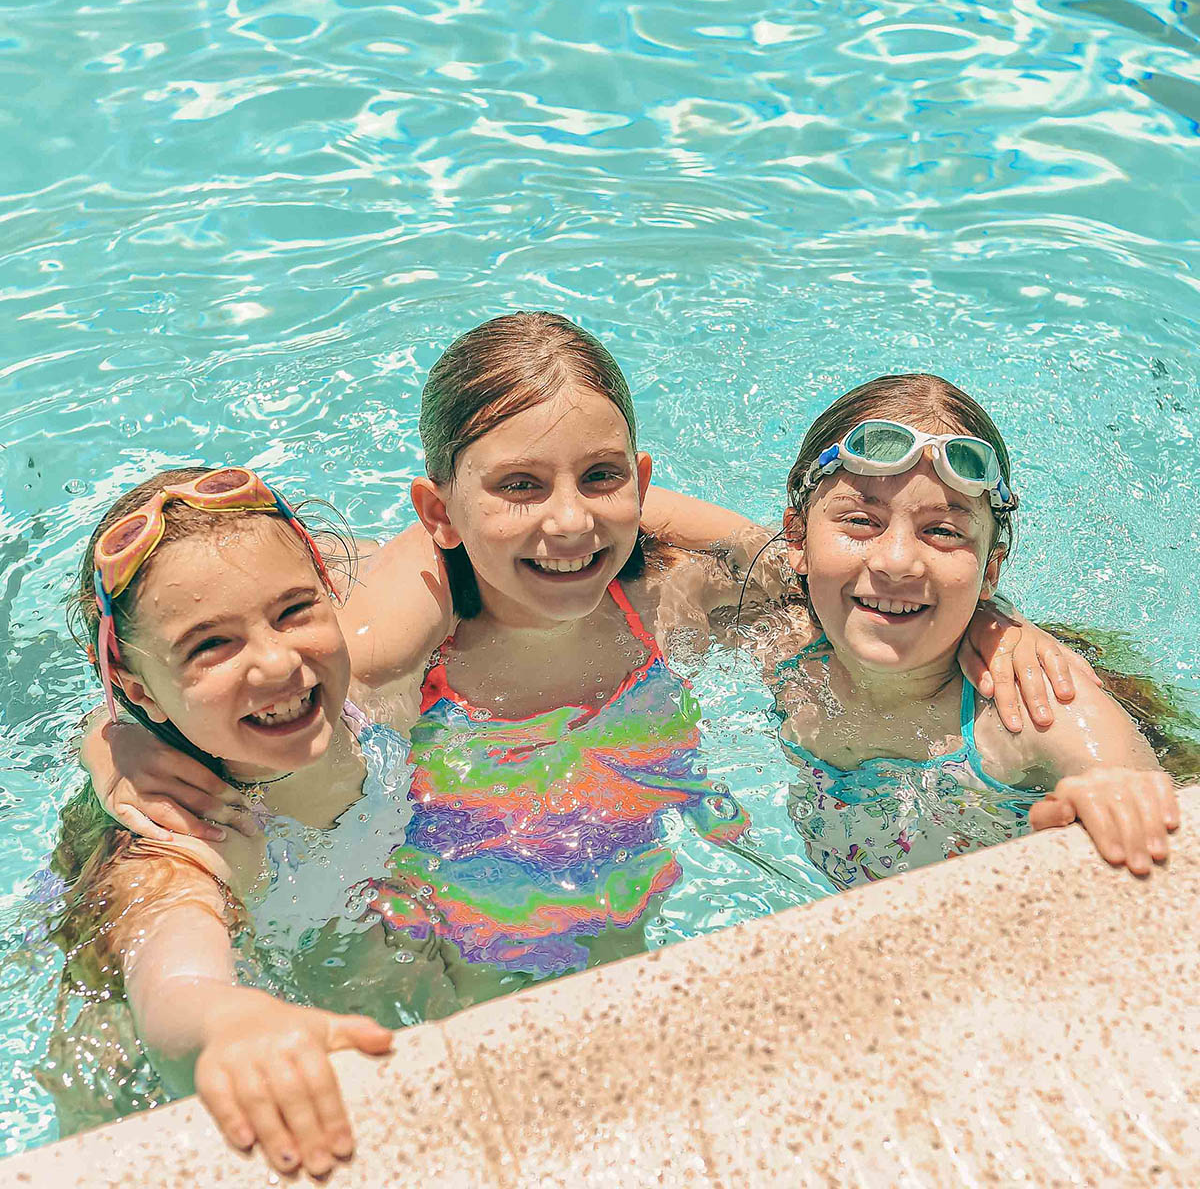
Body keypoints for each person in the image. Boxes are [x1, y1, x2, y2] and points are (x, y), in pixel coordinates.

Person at [78, 321, 1091, 994]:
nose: (568, 523)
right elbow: (227, 649)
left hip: (617, 902)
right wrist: (117, 737)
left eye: (600, 479)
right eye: (520, 487)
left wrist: (999, 623)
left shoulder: (674, 597)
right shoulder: (398, 633)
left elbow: (861, 588)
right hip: (429, 932)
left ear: (636, 482)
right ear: (439, 513)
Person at [48, 467, 431, 1178]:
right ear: (138, 692)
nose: (278, 661)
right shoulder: (178, 834)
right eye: (210, 645)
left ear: (331, 590)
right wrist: (226, 1020)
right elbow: (174, 979)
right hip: (129, 1044)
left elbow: (493, 514)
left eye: (293, 610)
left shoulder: (376, 680)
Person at [760, 374, 1179, 886]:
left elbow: (1148, 808)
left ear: (991, 569)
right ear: (797, 538)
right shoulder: (781, 644)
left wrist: (1113, 796)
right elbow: (639, 524)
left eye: (943, 531)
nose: (897, 563)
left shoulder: (1028, 708)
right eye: (861, 521)